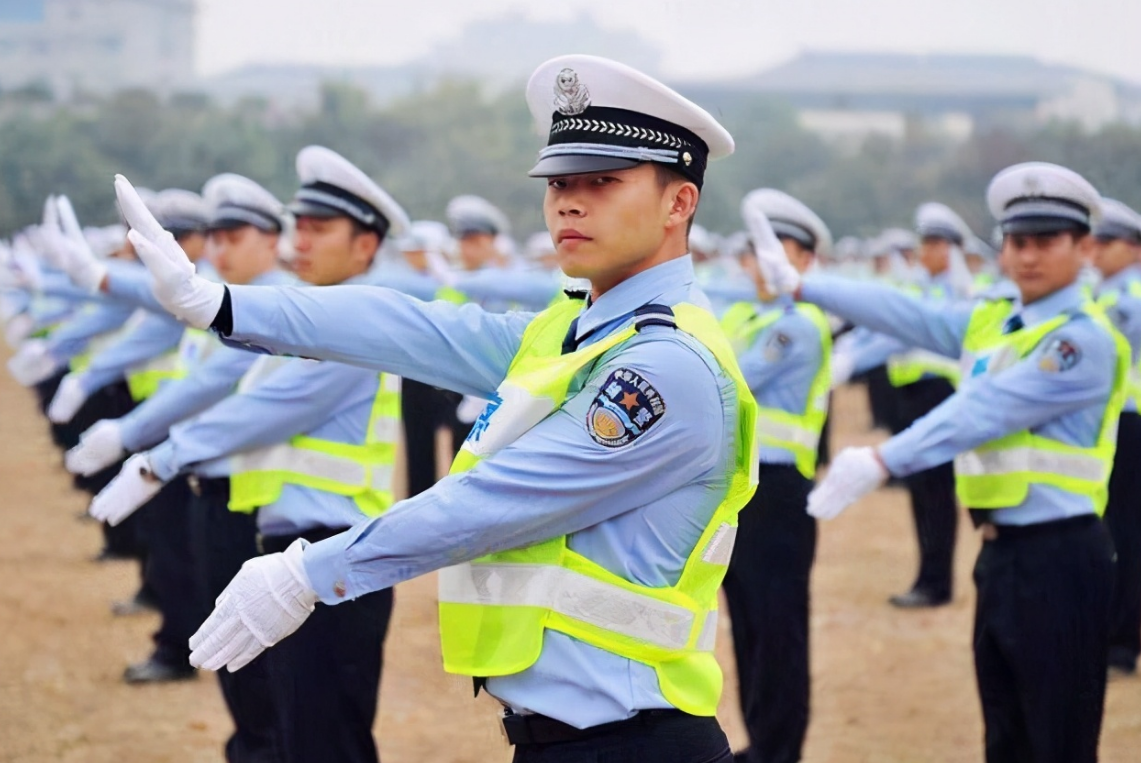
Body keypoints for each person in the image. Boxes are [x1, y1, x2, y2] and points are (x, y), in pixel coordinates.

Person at [111, 54, 757, 763]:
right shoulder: (578, 329)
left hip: (637, 743)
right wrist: (222, 303)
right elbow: (412, 327)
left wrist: (310, 572)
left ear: (679, 202)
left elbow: (494, 499)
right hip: (571, 740)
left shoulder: (665, 364)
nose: (569, 202)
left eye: (602, 182)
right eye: (559, 183)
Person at [773, 162, 1124, 763]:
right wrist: (809, 286)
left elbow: (984, 410)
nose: (1028, 257)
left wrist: (885, 458)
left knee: (1058, 739)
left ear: (1083, 246)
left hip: (1062, 558)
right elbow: (907, 312)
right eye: (1018, 242)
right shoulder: (998, 319)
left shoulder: (1080, 340)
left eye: (1047, 242)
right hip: (1001, 553)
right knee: (1007, 735)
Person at [92, 147, 406, 763]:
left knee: (324, 742)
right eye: (301, 227)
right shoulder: (311, 317)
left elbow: (260, 411)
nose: (302, 242)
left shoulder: (352, 331)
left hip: (336, 556)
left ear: (366, 247)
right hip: (295, 551)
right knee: (291, 730)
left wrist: (158, 456)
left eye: (320, 230)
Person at [720, 189, 831, 763]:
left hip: (781, 494)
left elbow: (728, 381)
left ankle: (779, 749)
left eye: (778, 251)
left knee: (779, 626)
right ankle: (761, 739)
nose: (759, 263)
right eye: (754, 253)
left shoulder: (801, 324)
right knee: (747, 621)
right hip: (741, 490)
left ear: (804, 262)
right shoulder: (742, 315)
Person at [1090, 198, 1141, 677]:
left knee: (1124, 530)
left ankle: (1122, 642)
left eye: (1106, 243)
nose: (1096, 251)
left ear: (1133, 248)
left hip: (1132, 422)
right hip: (1114, 422)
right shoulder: (1104, 293)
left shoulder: (1131, 298)